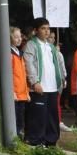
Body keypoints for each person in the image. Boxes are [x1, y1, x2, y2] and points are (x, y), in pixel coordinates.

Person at [23, 18, 66, 147]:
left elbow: (58, 63)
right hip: (40, 87)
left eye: (48, 28)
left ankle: (51, 142)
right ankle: (36, 142)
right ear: (35, 31)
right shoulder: (31, 45)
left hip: (52, 87)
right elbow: (28, 64)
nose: (47, 31)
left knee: (52, 116)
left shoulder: (51, 46)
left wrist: (62, 78)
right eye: (43, 28)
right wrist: (34, 82)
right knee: (38, 117)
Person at [10, 26, 30, 139]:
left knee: (21, 117)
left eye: (20, 37)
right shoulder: (10, 53)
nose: (19, 39)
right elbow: (10, 74)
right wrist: (12, 91)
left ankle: (20, 136)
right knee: (16, 117)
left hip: (22, 92)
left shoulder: (20, 53)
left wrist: (26, 92)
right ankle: (16, 138)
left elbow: (23, 74)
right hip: (15, 93)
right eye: (15, 37)